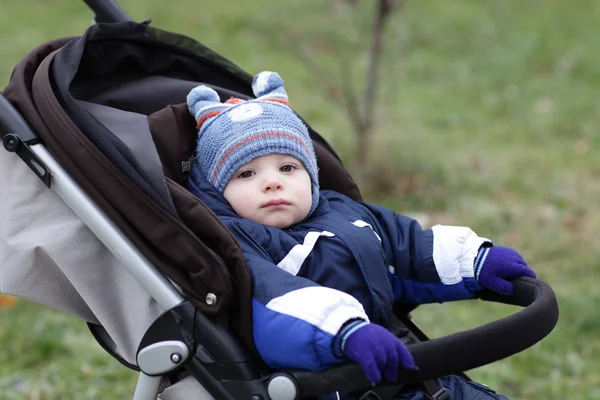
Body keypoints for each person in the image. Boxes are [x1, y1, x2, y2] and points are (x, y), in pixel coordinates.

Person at [185, 71, 536, 399]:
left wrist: (474, 261)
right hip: (339, 382)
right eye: (246, 174)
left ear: (311, 175)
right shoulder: (236, 243)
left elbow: (407, 248)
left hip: (405, 375)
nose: (272, 181)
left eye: (288, 167)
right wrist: (345, 332)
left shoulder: (341, 210)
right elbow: (278, 302)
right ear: (218, 191)